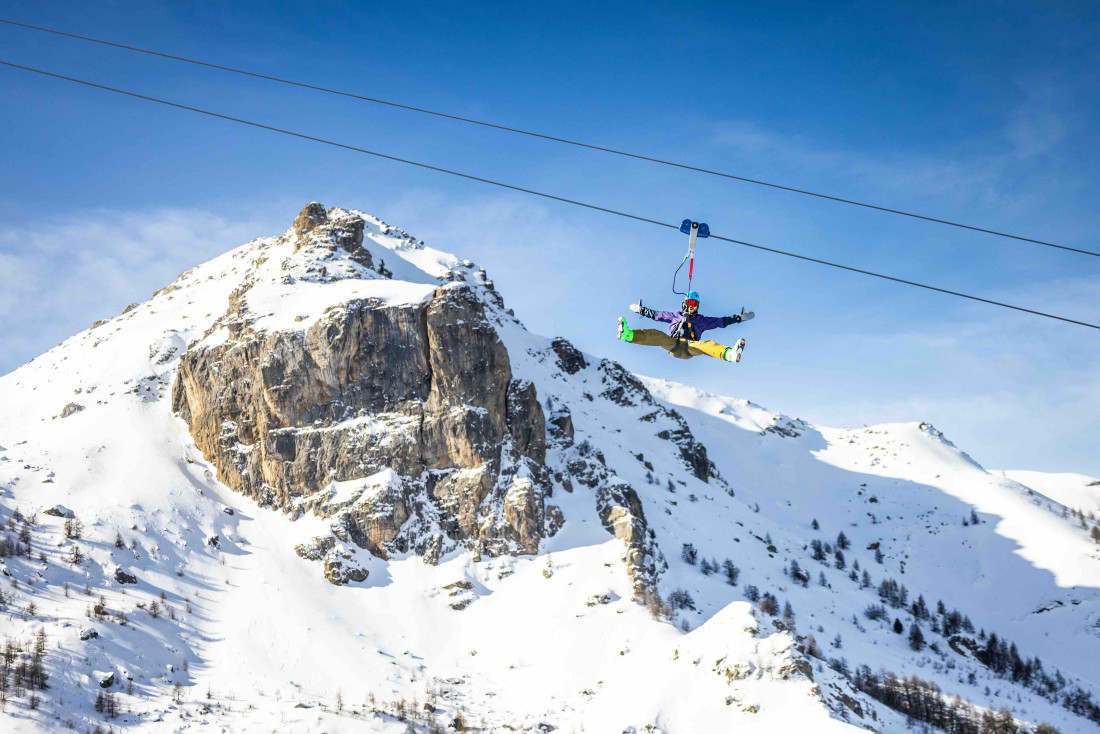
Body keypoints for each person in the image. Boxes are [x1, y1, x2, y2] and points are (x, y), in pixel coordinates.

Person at [617, 290, 754, 362]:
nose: (691, 306)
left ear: (698, 306)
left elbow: (721, 321)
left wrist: (739, 318)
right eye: (689, 303)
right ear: (684, 304)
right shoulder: (675, 316)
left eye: (694, 304)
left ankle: (729, 354)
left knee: (706, 345)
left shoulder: (702, 320)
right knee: (656, 335)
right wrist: (640, 310)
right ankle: (628, 335)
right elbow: (657, 315)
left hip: (691, 347)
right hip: (674, 344)